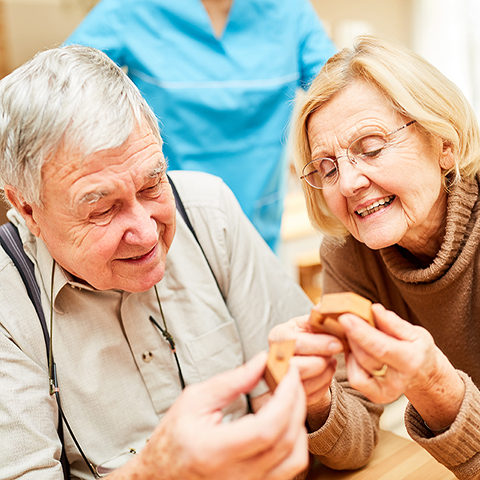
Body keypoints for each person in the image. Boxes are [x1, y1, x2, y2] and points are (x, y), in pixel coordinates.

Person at [0, 45, 381, 480]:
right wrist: (155, 472)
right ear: (28, 209)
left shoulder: (207, 211)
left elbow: (332, 414)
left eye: (152, 183)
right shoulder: (8, 301)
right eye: (102, 208)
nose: (147, 233)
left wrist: (312, 402)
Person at [293, 34, 480, 480]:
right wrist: (317, 398)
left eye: (371, 147)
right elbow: (353, 444)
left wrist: (435, 386)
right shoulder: (349, 254)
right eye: (328, 168)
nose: (348, 184)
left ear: (444, 144)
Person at [64, 0, 336, 252]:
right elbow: (57, 86)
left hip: (259, 224)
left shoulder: (289, 11)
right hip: (165, 227)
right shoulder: (132, 8)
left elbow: (340, 91)